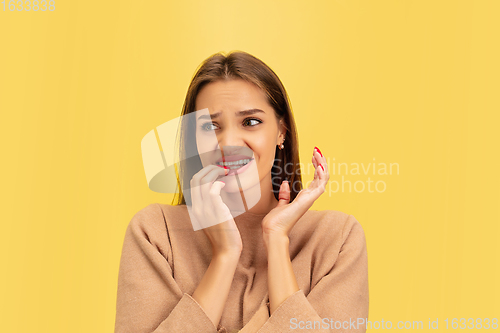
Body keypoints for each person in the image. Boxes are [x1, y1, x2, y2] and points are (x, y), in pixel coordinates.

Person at [114, 51, 369, 333]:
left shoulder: (337, 238)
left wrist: (277, 240)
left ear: (281, 132)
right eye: (210, 126)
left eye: (250, 122)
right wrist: (225, 254)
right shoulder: (155, 233)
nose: (229, 142)